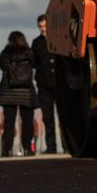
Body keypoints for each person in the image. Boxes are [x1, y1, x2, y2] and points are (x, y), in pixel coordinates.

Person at [0, 32, 37, 157]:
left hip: (9, 92)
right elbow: (35, 64)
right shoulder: (29, 52)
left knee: (9, 122)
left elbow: (2, 65)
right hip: (26, 92)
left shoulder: (6, 52)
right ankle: (28, 149)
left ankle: (7, 150)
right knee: (27, 122)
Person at [30, 14, 58, 154]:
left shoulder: (59, 39)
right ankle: (51, 146)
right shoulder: (36, 43)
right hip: (44, 84)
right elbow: (33, 62)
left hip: (59, 83)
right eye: (40, 26)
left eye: (45, 26)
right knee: (48, 117)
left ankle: (67, 145)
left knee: (64, 116)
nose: (43, 29)